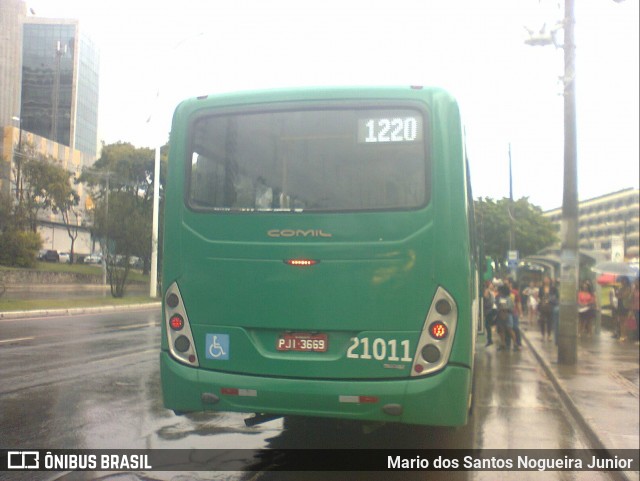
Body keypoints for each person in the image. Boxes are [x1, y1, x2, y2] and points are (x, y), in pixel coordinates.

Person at [495, 284, 518, 351]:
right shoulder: (499, 297)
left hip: (507, 314)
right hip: (502, 314)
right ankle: (503, 344)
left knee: (509, 329)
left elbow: (511, 307)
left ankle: (514, 344)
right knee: (502, 330)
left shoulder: (508, 298)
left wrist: (503, 310)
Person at [538, 276, 558, 341]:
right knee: (542, 320)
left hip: (550, 306)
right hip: (543, 306)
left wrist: (551, 300)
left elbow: (556, 296)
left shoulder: (553, 288)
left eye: (547, 279)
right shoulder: (541, 288)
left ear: (550, 280)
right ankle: (542, 335)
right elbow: (539, 296)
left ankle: (549, 335)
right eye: (545, 279)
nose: (546, 280)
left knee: (550, 321)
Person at [616, 277, 633, 342]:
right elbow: (617, 296)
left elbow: (624, 295)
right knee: (620, 320)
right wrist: (618, 293)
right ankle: (622, 335)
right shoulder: (620, 288)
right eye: (622, 280)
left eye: (624, 280)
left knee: (625, 321)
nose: (622, 282)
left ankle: (625, 335)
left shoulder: (628, 288)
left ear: (626, 281)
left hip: (625, 305)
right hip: (620, 305)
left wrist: (620, 294)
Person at [483, 281, 497, 346]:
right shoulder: (491, 292)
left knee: (487, 325)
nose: (492, 286)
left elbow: (485, 297)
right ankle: (489, 340)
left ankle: (489, 340)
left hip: (489, 310)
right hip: (490, 310)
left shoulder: (488, 291)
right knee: (488, 325)